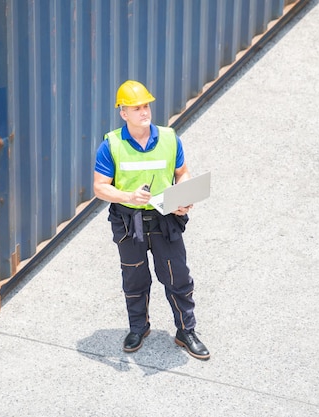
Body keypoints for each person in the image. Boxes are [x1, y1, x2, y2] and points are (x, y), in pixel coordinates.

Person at [93, 80, 210, 360]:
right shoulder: (111, 144)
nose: (144, 112)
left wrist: (183, 197)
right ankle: (138, 328)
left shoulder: (170, 138)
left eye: (146, 106)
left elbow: (182, 172)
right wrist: (127, 196)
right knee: (134, 277)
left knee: (177, 275)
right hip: (128, 220)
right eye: (136, 108)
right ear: (124, 113)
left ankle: (186, 331)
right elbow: (99, 187)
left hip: (164, 217)